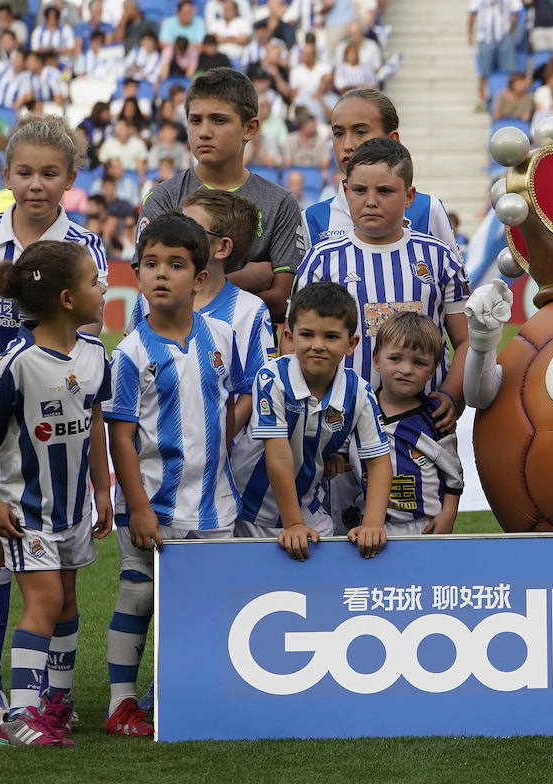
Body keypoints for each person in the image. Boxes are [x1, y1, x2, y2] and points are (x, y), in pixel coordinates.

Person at [0, 116, 108, 727]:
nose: (35, 185)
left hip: (50, 420)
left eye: (49, 173)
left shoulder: (84, 247)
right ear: (6, 176)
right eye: (24, 172)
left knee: (52, 568)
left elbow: (86, 349)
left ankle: (47, 699)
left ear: (70, 180)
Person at [102, 213, 252, 737]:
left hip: (214, 503)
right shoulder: (129, 353)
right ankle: (121, 702)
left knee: (203, 600)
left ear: (201, 277)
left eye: (176, 264)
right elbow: (120, 436)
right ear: (137, 274)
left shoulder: (223, 336)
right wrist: (138, 506)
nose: (161, 274)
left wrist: (216, 442)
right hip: (152, 506)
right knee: (139, 596)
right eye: (150, 264)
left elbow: (234, 400)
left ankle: (177, 692)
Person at [296, 137, 468, 422]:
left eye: (385, 191)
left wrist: (450, 394)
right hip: (340, 426)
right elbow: (296, 344)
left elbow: (466, 340)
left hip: (424, 424)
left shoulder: (439, 257)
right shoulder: (322, 259)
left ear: (409, 196)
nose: (371, 201)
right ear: (346, 192)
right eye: (360, 191)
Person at [230, 282, 392, 560]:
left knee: (321, 587)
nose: (318, 345)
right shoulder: (272, 378)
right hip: (249, 508)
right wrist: (293, 525)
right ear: (290, 337)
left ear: (351, 344)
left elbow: (378, 461)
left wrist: (373, 524)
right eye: (307, 334)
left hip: (309, 507)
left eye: (330, 336)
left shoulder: (359, 391)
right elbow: (278, 457)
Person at [140, 67, 306, 322]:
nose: (204, 131)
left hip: (251, 356)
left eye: (219, 120)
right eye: (195, 120)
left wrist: (190, 282)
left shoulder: (280, 203)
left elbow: (282, 301)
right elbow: (153, 293)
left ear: (249, 128)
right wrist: (253, 276)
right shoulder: (163, 198)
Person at [131, 190, 274, 424]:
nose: (178, 234)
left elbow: (252, 389)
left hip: (225, 456)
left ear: (222, 247)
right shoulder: (147, 301)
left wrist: (219, 444)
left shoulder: (250, 311)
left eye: (191, 227)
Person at [302, 88, 460, 261]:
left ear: (392, 139)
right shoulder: (311, 219)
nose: (347, 145)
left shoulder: (429, 210)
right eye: (338, 133)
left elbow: (454, 283)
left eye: (360, 132)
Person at [356, 311, 463, 535]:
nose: (406, 369)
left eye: (418, 363)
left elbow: (453, 474)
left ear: (433, 370)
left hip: (423, 526)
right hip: (368, 526)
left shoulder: (435, 417)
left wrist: (448, 515)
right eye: (395, 359)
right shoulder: (360, 410)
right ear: (376, 360)